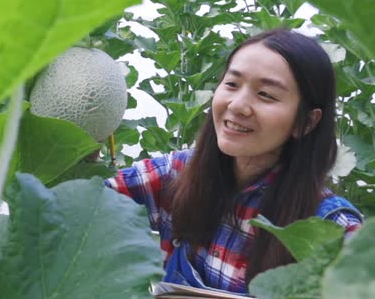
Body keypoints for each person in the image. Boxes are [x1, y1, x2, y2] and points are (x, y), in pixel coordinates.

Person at [105, 29, 363, 295]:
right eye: (231, 84)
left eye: (266, 95)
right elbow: (84, 208)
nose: (238, 105)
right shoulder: (177, 173)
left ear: (306, 122)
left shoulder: (331, 229)